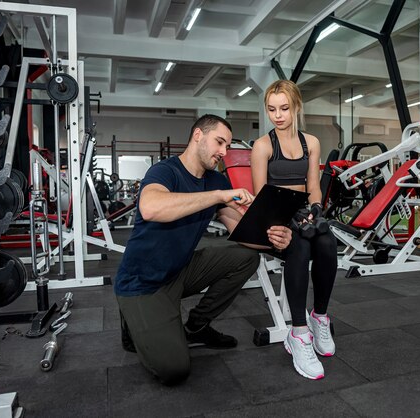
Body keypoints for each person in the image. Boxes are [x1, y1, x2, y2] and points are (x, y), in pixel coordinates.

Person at [114, 114, 291, 385]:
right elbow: (150, 208)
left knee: (246, 258)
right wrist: (219, 196)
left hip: (181, 270)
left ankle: (196, 327)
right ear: (198, 135)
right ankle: (134, 321)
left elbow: (240, 232)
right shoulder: (165, 171)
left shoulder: (215, 181)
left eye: (228, 146)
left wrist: (274, 239)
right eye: (220, 142)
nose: (224, 152)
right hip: (142, 283)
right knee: (174, 370)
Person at [251, 80, 338, 380]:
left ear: (297, 107)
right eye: (272, 109)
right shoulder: (262, 146)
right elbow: (262, 198)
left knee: (327, 243)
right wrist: (286, 222)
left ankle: (320, 317)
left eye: (285, 108)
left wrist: (314, 211)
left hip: (302, 211)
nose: (278, 115)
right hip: (275, 218)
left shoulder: (310, 143)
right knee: (299, 246)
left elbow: (313, 187)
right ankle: (298, 333)